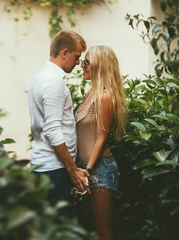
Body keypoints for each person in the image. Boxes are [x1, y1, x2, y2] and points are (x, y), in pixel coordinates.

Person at [28, 30, 91, 211]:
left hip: (46, 168)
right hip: (53, 171)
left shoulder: (40, 77)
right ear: (64, 53)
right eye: (77, 56)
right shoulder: (53, 81)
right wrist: (72, 170)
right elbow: (52, 130)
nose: (79, 63)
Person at [75, 46, 126, 240]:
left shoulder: (104, 96)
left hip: (100, 169)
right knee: (97, 232)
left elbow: (101, 137)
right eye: (82, 62)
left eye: (86, 62)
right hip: (90, 169)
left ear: (100, 66)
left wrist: (86, 170)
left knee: (103, 234)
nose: (82, 66)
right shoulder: (91, 94)